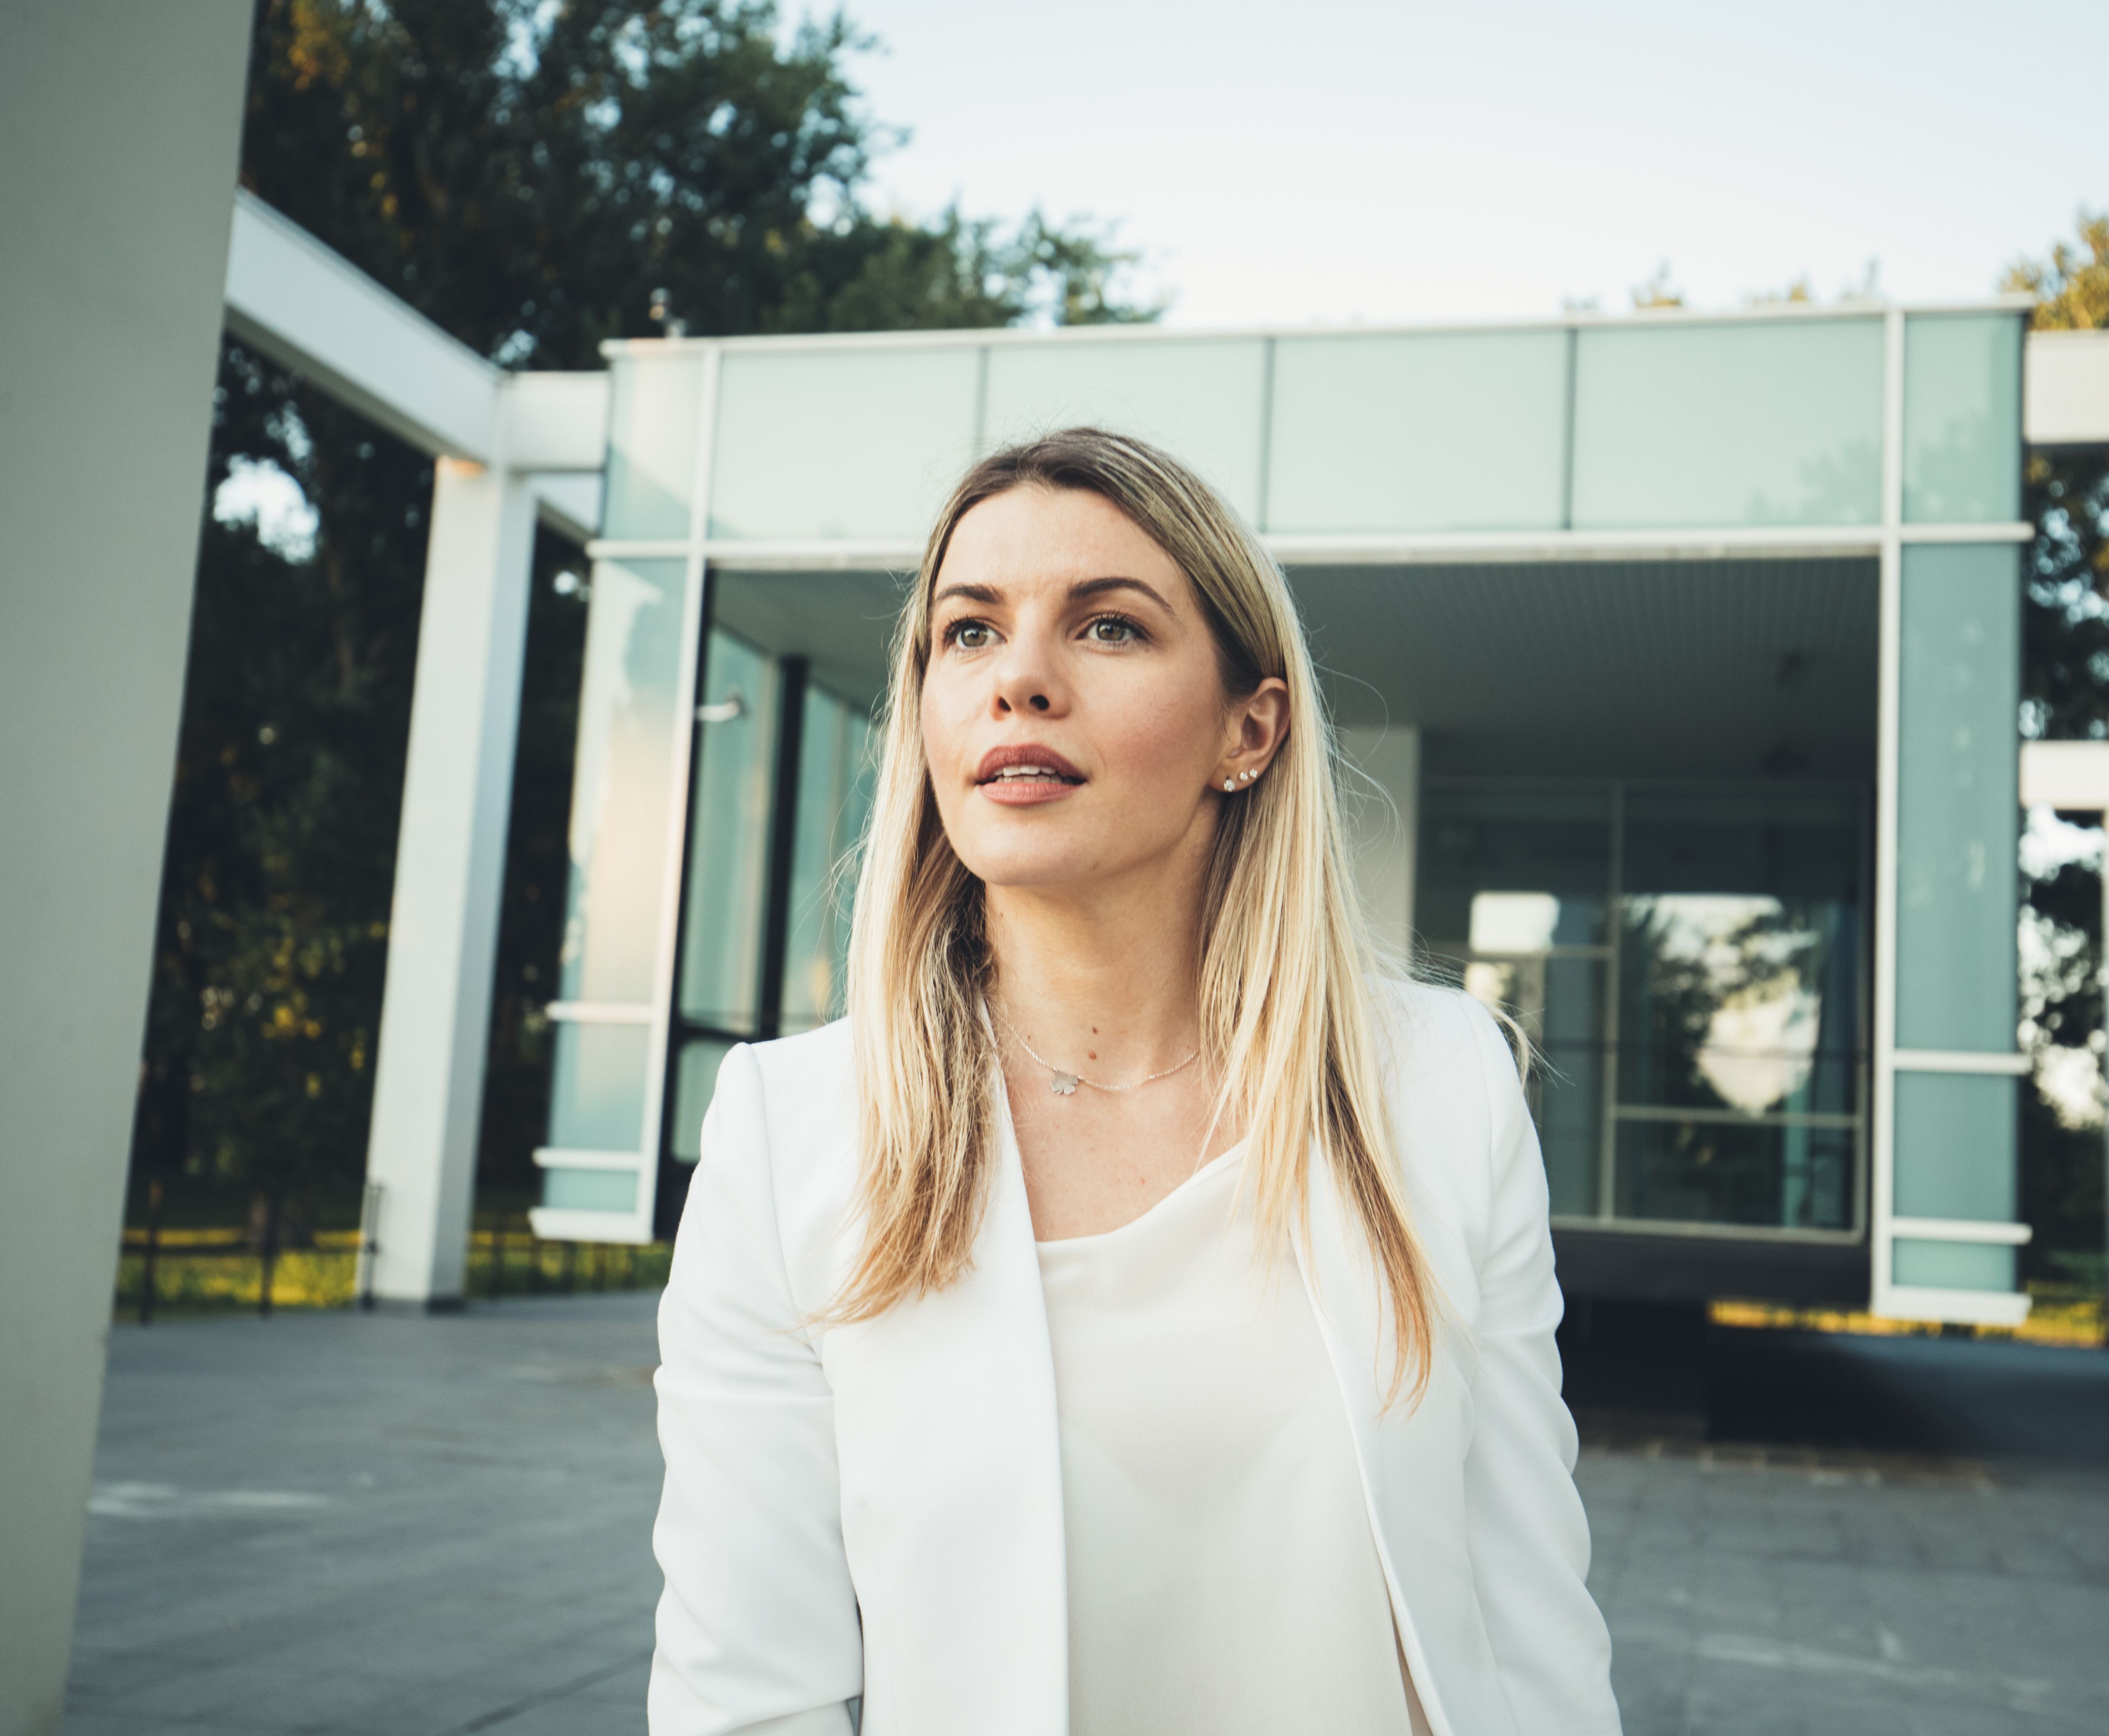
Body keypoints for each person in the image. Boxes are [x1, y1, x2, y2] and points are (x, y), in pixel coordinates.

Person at [649, 428, 1620, 1736]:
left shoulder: (1438, 1090)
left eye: (1107, 629)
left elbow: (1531, 1628)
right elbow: (746, 1696)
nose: (1022, 681)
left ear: (1250, 729)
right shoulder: (792, 1136)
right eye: (969, 634)